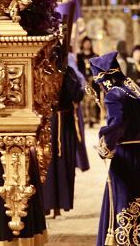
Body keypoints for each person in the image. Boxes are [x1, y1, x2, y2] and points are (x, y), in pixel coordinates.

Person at [90, 51, 140, 246]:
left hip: (126, 159)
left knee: (124, 203)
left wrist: (105, 145)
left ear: (104, 78)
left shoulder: (114, 95)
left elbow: (118, 125)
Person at [41, 50, 86, 217]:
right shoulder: (62, 72)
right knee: (50, 161)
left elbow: (76, 95)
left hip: (55, 121)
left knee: (52, 161)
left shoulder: (54, 70)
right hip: (56, 121)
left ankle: (53, 204)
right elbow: (77, 94)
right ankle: (53, 204)